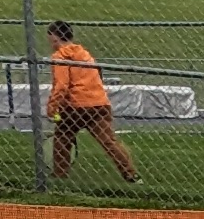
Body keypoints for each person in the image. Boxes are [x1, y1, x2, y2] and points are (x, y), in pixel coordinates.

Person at [45, 29, 138, 186]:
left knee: (62, 137)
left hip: (75, 106)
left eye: (50, 40)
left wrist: (52, 106)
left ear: (55, 38)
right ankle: (131, 174)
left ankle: (60, 174)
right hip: (99, 103)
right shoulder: (85, 54)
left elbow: (61, 85)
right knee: (109, 141)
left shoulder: (60, 56)